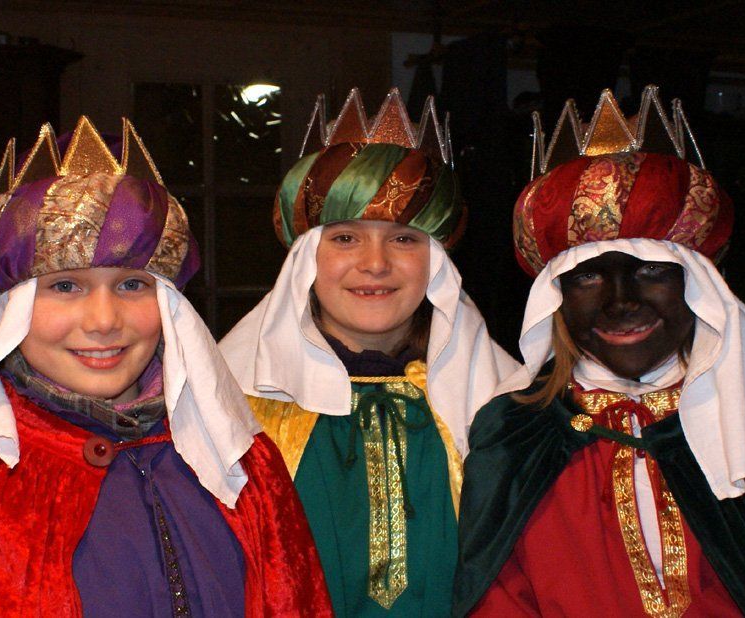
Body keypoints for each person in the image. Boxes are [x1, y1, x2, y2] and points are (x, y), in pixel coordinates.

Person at [0, 117, 332, 617]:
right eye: (65, 286)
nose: (104, 321)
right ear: (11, 312)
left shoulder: (243, 461)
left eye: (131, 285)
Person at [452, 86, 745, 617]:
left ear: (697, 283)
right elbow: (497, 596)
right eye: (588, 276)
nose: (621, 302)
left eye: (652, 270)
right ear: (556, 296)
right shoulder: (515, 433)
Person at [219, 88, 520, 616]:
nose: (375, 264)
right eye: (345, 238)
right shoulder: (237, 409)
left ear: (437, 261)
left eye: (404, 239)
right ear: (305, 257)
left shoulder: (501, 408)